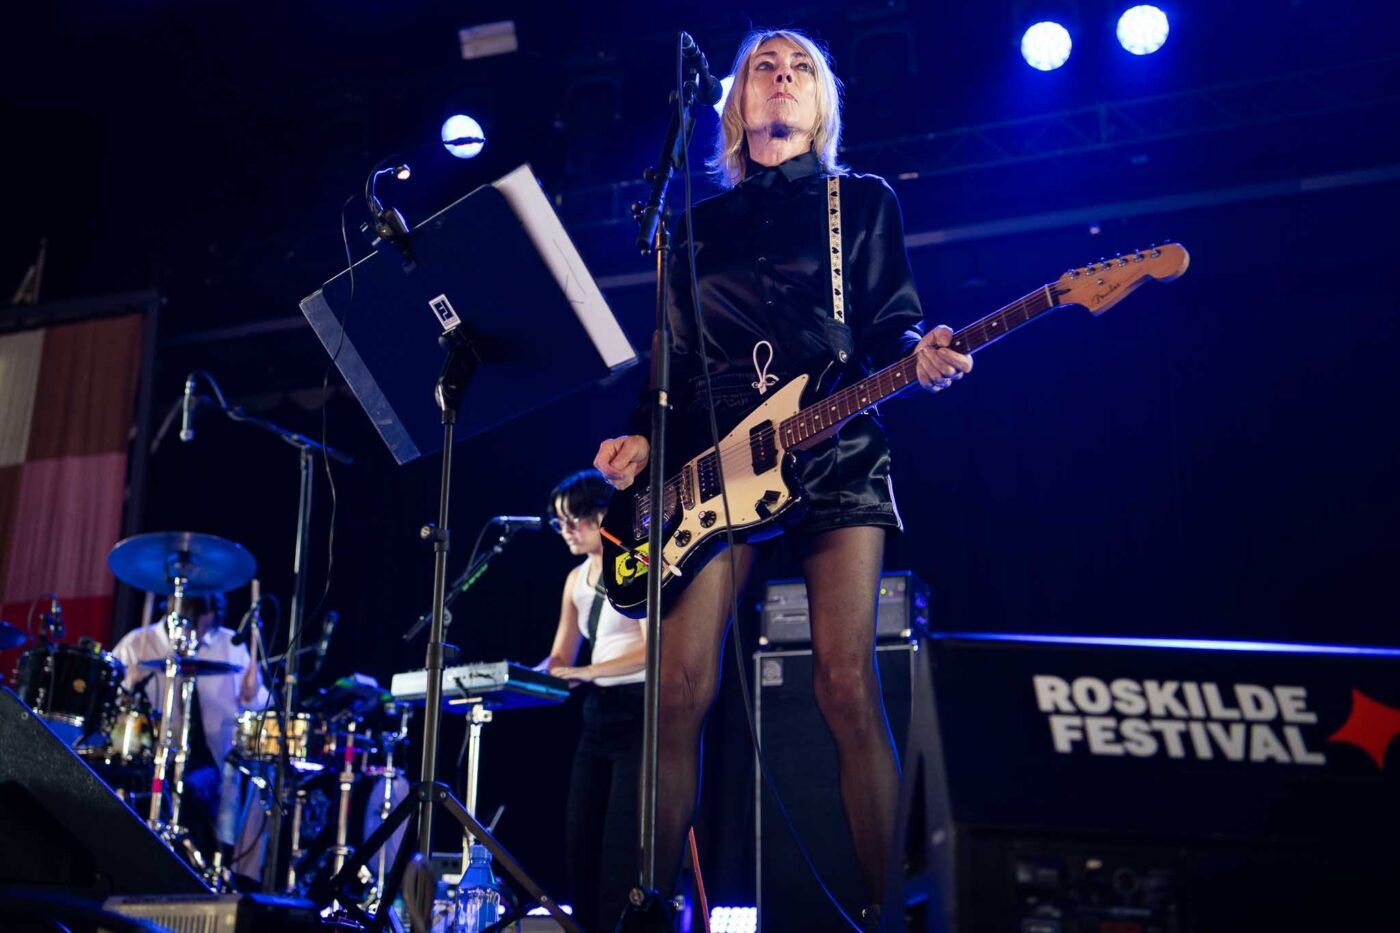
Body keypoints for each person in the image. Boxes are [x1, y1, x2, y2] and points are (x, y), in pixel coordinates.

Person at [592, 28, 973, 928]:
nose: (782, 77)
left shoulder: (861, 202)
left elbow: (892, 324)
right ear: (737, 104)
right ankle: (647, 909)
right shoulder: (691, 228)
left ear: (820, 103)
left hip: (835, 448)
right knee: (677, 693)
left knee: (845, 682)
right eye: (765, 65)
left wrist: (922, 353)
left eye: (801, 68)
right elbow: (671, 370)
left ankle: (891, 915)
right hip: (717, 468)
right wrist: (641, 442)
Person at [536, 469, 647, 932]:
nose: (565, 532)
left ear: (602, 516)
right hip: (597, 716)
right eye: (559, 523)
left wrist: (585, 672)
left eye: (573, 521)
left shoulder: (636, 561)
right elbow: (561, 655)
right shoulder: (575, 580)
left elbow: (654, 648)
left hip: (639, 709)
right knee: (579, 842)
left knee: (621, 851)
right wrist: (515, 679)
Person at [112, 592, 267, 864]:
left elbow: (259, 709)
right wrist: (127, 690)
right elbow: (110, 704)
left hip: (216, 765)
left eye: (204, 621)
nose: (198, 629)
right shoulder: (138, 644)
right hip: (150, 764)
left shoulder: (231, 645)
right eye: (191, 620)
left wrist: (253, 695)